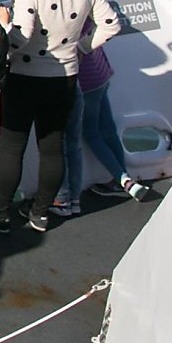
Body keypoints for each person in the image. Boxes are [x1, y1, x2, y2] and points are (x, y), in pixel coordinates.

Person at [0, 0, 121, 234]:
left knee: (12, 148)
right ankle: (41, 212)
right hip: (64, 78)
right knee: (52, 147)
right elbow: (111, 24)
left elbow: (22, 34)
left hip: (25, 78)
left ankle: (0, 213)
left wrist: (4, 32)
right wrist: (80, 48)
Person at [52, 33, 154, 216]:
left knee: (90, 134)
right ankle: (122, 180)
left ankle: (124, 181)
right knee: (108, 130)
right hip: (100, 72)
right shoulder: (88, 5)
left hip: (83, 79)